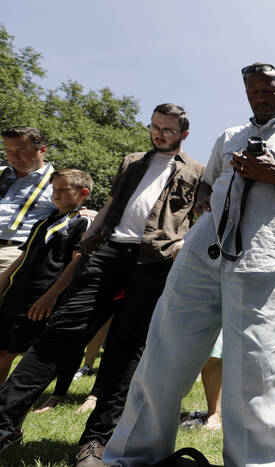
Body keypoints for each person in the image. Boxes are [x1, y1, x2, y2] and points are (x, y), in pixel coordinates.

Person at [104, 63, 275, 467]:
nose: (260, 95)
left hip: (262, 258)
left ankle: (255, 463)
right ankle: (130, 457)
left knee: (256, 373)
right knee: (161, 357)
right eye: (252, 90)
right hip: (201, 254)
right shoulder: (229, 136)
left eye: (268, 88)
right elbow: (207, 182)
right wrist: (208, 199)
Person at [0, 104, 204, 466]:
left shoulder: (197, 171)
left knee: (126, 350)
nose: (159, 134)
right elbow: (111, 204)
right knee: (59, 333)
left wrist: (181, 246)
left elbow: (200, 215)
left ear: (184, 133)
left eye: (169, 130)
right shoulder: (131, 161)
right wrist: (88, 242)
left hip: (154, 261)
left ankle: (95, 443)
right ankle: (3, 425)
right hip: (108, 252)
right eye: (155, 127)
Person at [0, 169, 93, 383]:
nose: (56, 193)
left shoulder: (81, 222)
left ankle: (18, 397)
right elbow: (22, 257)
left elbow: (76, 261)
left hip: (43, 297)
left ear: (83, 192)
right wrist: (3, 282)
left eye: (63, 189)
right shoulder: (42, 222)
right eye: (54, 189)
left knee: (30, 354)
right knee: (3, 350)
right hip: (18, 293)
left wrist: (52, 295)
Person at [0, 127, 57, 272]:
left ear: (42, 150)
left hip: (13, 250)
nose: (14, 157)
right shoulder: (1, 172)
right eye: (9, 151)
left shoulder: (58, 183)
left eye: (22, 151)